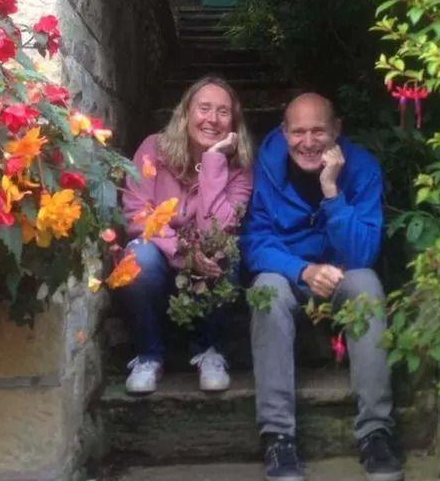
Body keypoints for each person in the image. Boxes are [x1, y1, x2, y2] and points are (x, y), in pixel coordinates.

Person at [241, 93, 403, 481]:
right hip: (288, 271)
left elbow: (363, 251)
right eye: (298, 131)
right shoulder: (266, 166)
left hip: (343, 271)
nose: (308, 141)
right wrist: (302, 270)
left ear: (336, 130)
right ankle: (278, 436)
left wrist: (332, 191)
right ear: (284, 132)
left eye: (318, 131)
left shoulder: (362, 168)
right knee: (265, 291)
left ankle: (376, 432)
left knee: (367, 285)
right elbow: (254, 243)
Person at [120, 76, 254, 394]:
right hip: (160, 259)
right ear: (185, 113)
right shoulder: (153, 149)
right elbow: (138, 213)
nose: (212, 119)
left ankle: (210, 349)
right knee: (137, 257)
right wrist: (183, 250)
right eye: (204, 108)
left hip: (206, 268)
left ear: (234, 122)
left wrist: (213, 162)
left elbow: (218, 229)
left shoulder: (241, 169)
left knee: (226, 252)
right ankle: (149, 355)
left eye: (223, 112)